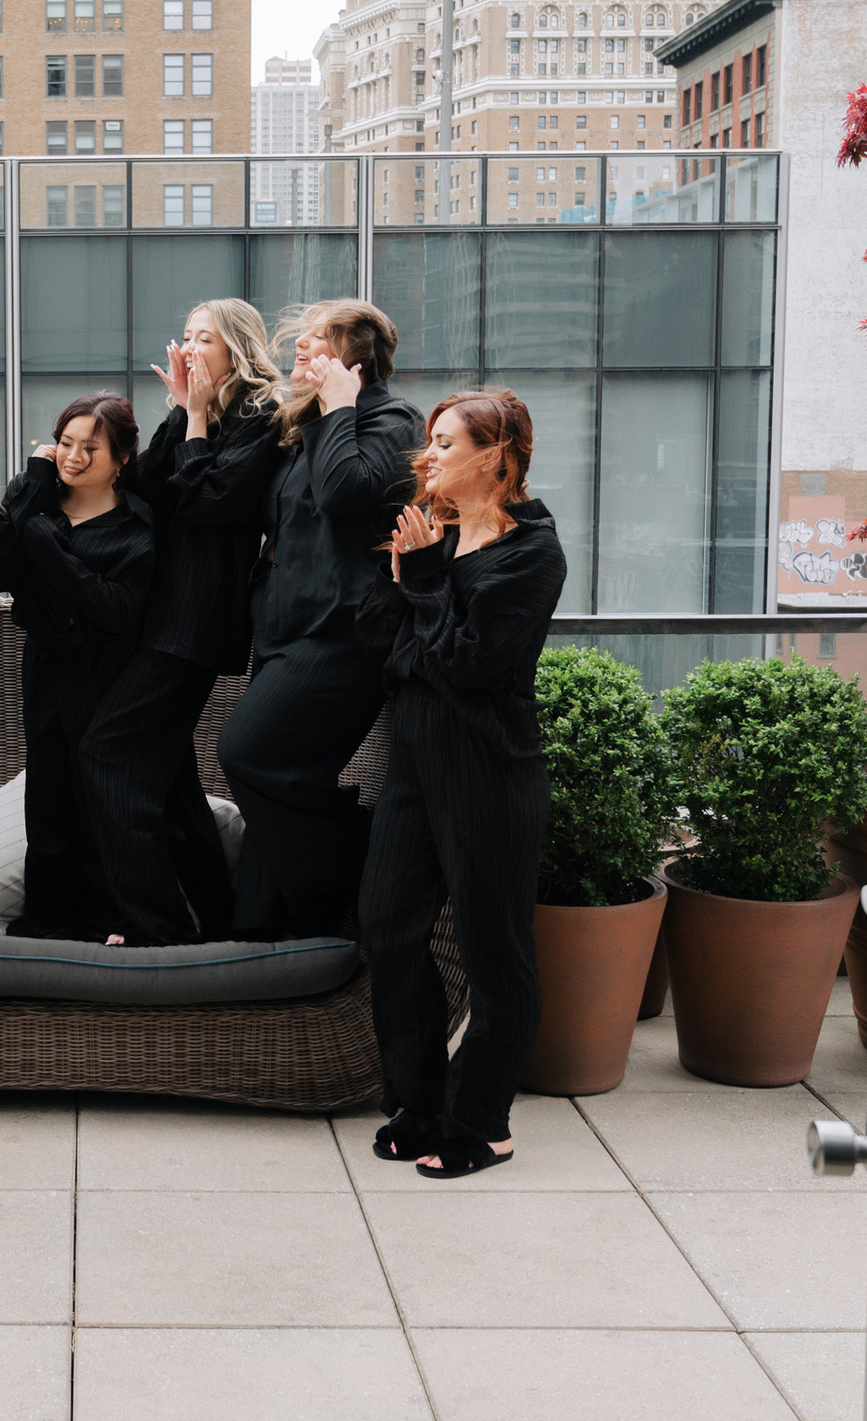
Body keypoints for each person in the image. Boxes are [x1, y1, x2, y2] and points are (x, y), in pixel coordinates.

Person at [357, 390, 567, 1178]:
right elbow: (391, 650)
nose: (429, 454)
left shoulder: (531, 554)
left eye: (447, 442)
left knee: (495, 955)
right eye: (432, 440)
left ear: (496, 454)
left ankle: (482, 1122)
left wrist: (422, 585)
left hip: (489, 772)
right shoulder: (433, 534)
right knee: (386, 927)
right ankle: (420, 1103)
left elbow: (471, 663)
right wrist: (407, 579)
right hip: (415, 765)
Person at [75, 298, 284, 943]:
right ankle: (216, 919)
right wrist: (178, 411)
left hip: (195, 621)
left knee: (107, 751)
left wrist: (193, 417)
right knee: (169, 778)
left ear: (237, 349)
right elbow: (149, 491)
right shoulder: (193, 413)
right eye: (186, 336)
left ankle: (155, 924)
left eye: (204, 339)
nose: (190, 348)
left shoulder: (262, 417)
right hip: (158, 615)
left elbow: (209, 499)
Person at [215, 300, 423, 939]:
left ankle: (367, 855)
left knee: (245, 753)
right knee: (289, 779)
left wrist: (338, 408)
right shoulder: (303, 424)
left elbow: (341, 493)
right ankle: (264, 932)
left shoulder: (393, 421)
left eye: (315, 340)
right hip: (284, 625)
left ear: (355, 355)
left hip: (343, 631)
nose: (299, 350)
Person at [0, 392, 155, 942]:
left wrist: (48, 549)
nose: (73, 457)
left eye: (91, 448)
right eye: (64, 443)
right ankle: (48, 922)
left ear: (122, 458)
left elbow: (116, 611)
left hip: (104, 676)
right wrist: (34, 482)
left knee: (95, 796)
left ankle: (110, 921)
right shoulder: (40, 501)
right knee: (48, 797)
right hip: (44, 667)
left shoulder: (135, 527)